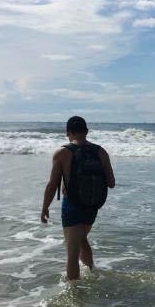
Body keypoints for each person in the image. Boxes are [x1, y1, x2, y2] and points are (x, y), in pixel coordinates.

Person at [41, 116, 116, 280]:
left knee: (72, 253)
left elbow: (52, 185)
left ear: (67, 132)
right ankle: (91, 272)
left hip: (72, 206)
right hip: (92, 205)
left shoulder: (62, 153)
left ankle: (74, 291)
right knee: (82, 238)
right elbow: (111, 183)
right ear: (86, 131)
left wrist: (45, 207)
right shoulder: (100, 151)